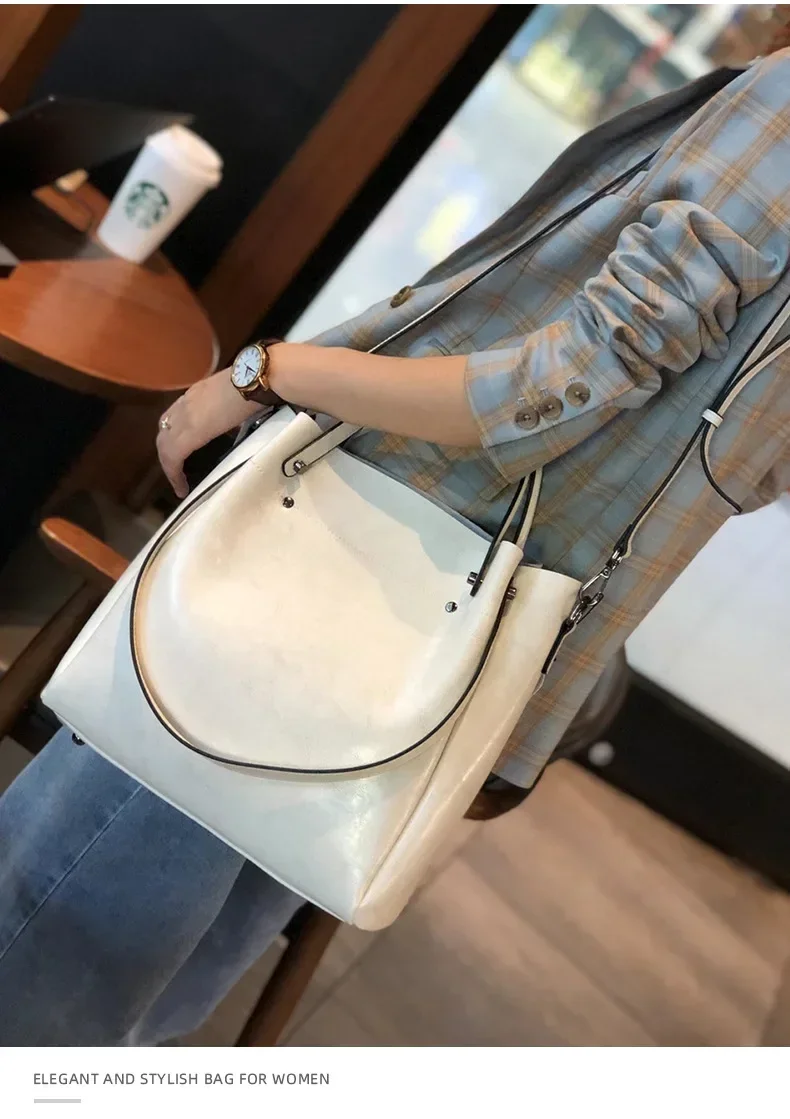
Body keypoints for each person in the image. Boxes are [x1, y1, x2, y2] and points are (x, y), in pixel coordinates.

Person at [2, 36, 790, 1045]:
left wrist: (267, 374)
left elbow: (562, 380)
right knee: (159, 975)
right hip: (461, 649)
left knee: (53, 928)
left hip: (343, 568)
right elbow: (755, 468)